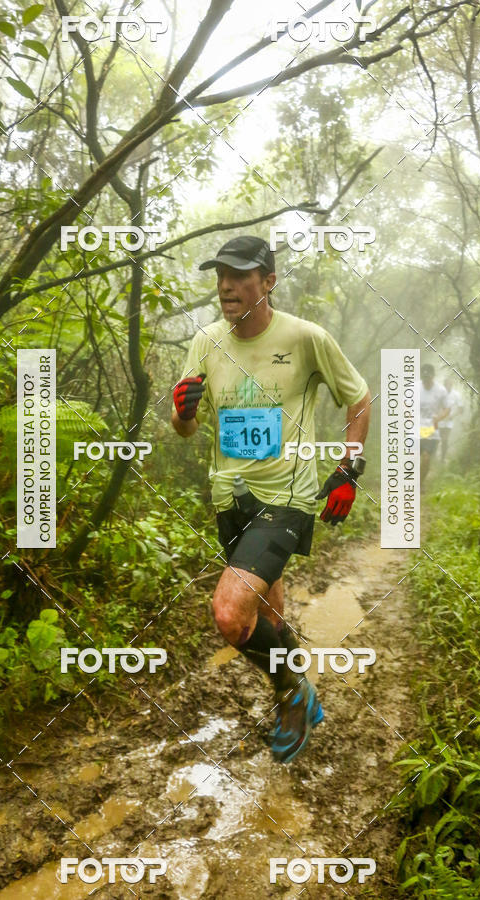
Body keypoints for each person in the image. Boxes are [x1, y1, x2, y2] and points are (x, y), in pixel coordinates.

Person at [171, 235, 371, 764]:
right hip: (230, 496)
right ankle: (289, 693)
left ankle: (295, 693)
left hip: (287, 498)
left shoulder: (306, 338)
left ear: (269, 281)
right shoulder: (206, 341)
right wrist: (183, 411)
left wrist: (349, 466)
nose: (226, 286)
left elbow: (358, 397)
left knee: (230, 615)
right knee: (265, 612)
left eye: (240, 275)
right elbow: (184, 429)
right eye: (221, 275)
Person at [419, 363, 450, 486]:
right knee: (413, 458)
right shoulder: (414, 388)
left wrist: (439, 418)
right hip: (415, 429)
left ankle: (419, 484)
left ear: (433, 376)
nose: (426, 380)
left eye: (428, 377)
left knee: (426, 458)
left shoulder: (441, 390)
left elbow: (447, 408)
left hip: (431, 430)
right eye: (424, 378)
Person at [439, 376, 463, 461]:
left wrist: (452, 416)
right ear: (444, 385)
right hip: (439, 420)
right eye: (446, 385)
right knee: (439, 438)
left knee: (445, 439)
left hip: (449, 421)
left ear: (452, 385)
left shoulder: (456, 395)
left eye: (450, 385)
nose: (448, 386)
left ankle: (442, 458)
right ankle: (434, 455)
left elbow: (460, 409)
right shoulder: (439, 393)